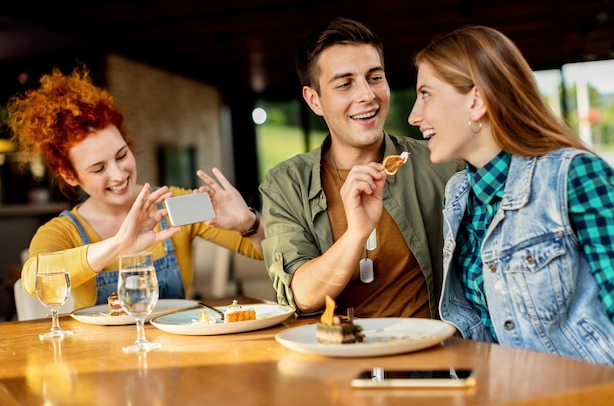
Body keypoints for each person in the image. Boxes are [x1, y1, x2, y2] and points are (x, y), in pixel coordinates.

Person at [408, 25, 614, 366]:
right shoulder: (459, 195)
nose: (414, 116)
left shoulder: (574, 176)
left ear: (476, 100)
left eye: (426, 94)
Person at [6, 66, 264, 309]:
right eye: (98, 169)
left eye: (121, 156)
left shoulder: (172, 204)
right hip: (100, 355)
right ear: (69, 175)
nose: (119, 175)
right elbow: (32, 279)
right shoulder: (65, 231)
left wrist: (250, 224)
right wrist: (120, 244)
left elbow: (268, 253)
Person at [259, 17, 461, 318]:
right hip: (338, 360)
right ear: (314, 100)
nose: (367, 95)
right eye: (345, 84)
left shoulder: (441, 163)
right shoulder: (286, 183)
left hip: (433, 359)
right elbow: (302, 296)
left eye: (375, 77)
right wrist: (356, 234)